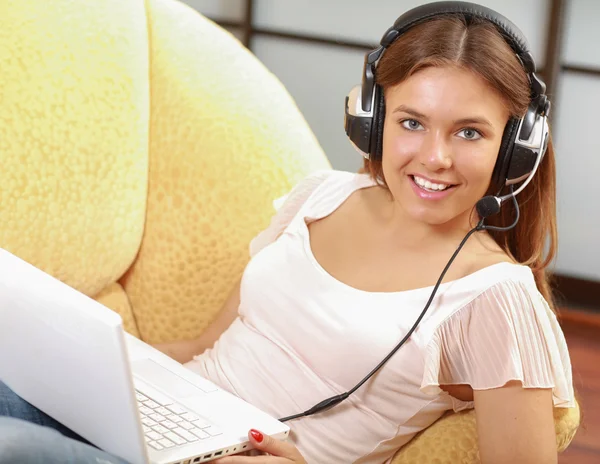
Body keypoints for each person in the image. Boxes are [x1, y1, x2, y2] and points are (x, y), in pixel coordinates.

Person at [0, 3, 575, 463]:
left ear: (515, 148)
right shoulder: (321, 197)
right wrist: (91, 363)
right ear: (372, 119)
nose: (435, 157)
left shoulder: (495, 299)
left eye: (470, 132)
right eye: (411, 122)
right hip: (160, 423)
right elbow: (204, 346)